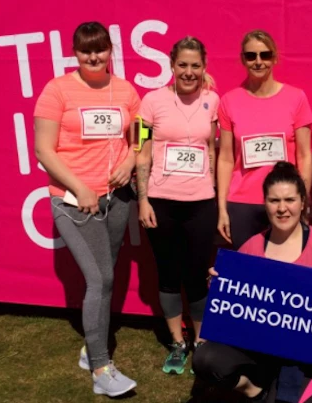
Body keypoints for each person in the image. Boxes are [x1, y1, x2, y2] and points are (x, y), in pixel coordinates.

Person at [193, 162, 312, 402]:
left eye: (289, 200)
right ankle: (254, 389)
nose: (282, 208)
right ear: (265, 204)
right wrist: (217, 284)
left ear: (303, 202)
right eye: (274, 200)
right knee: (205, 359)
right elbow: (232, 308)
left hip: (307, 355)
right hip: (257, 348)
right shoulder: (251, 248)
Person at [33, 21, 139, 397]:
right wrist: (79, 186)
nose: (93, 57)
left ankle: (89, 347)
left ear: (111, 51)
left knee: (106, 275)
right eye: (85, 50)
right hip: (75, 201)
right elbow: (43, 150)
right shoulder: (57, 90)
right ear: (74, 53)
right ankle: (101, 368)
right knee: (101, 279)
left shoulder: (125, 90)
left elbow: (141, 131)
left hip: (118, 199)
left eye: (100, 49)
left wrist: (131, 160)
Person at [136, 36, 219, 374]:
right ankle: (176, 342)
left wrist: (214, 189)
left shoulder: (213, 100)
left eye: (195, 65)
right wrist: (142, 200)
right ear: (171, 66)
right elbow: (141, 152)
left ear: (204, 67)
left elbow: (213, 150)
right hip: (161, 201)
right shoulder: (150, 102)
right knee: (168, 274)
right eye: (182, 65)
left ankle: (200, 341)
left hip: (201, 202)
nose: (188, 71)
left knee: (198, 276)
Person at [217, 30, 312, 249]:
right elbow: (225, 158)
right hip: (242, 204)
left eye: (265, 55)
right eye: (251, 56)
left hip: (284, 203)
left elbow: (304, 155)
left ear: (275, 57)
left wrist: (303, 199)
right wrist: (222, 208)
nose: (258, 62)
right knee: (246, 275)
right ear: (243, 59)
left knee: (282, 276)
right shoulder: (229, 101)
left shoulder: (296, 98)